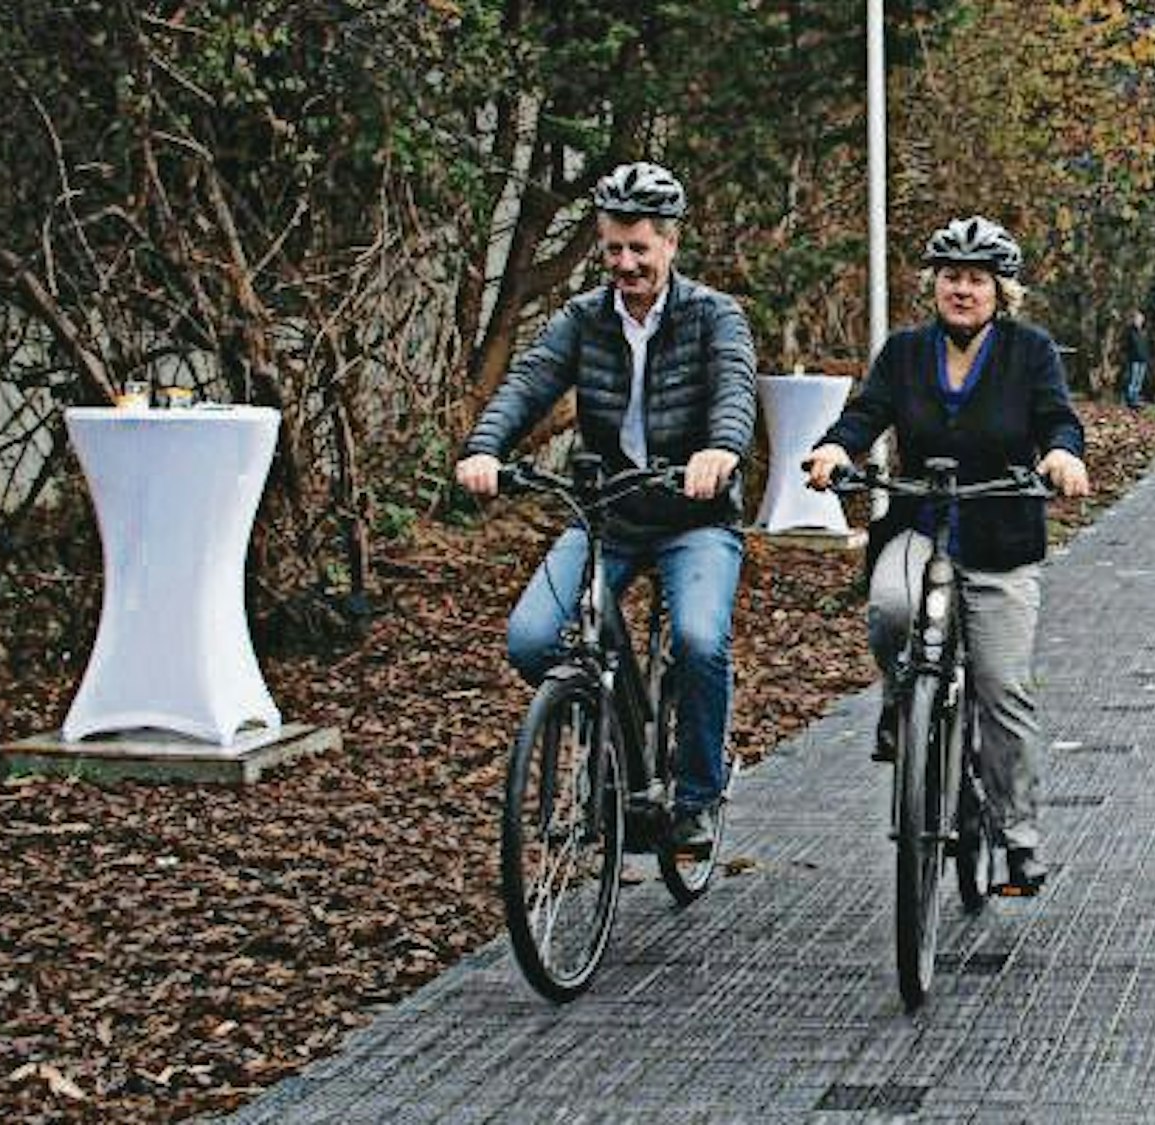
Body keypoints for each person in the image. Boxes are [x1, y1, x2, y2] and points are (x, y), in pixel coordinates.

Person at [455, 161, 757, 852]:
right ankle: (616, 746)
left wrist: (720, 451)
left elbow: (734, 391)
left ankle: (697, 796)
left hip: (694, 517)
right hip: (610, 514)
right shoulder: (583, 318)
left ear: (671, 244)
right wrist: (484, 448)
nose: (625, 264)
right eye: (613, 249)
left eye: (639, 249)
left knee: (699, 640)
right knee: (533, 639)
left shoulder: (714, 316)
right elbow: (528, 382)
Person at [802, 216, 1090, 893]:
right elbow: (867, 412)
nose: (962, 290)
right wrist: (836, 447)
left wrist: (1061, 454)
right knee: (889, 610)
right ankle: (902, 699)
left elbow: (1058, 418)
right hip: (918, 526)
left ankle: (1017, 836)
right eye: (951, 277)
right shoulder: (905, 352)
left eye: (976, 280)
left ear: (1000, 291)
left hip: (999, 540)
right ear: (935, 285)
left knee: (1001, 688)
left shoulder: (1029, 351)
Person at [1120, 308, 1152, 409]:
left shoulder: (1144, 332)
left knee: (1139, 381)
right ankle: (1130, 400)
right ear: (1133, 319)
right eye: (1137, 319)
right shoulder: (1130, 331)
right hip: (1133, 359)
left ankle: (1135, 398)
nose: (1138, 321)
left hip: (1143, 359)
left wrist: (1147, 357)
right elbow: (1125, 345)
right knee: (1132, 380)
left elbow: (1146, 346)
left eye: (1140, 319)